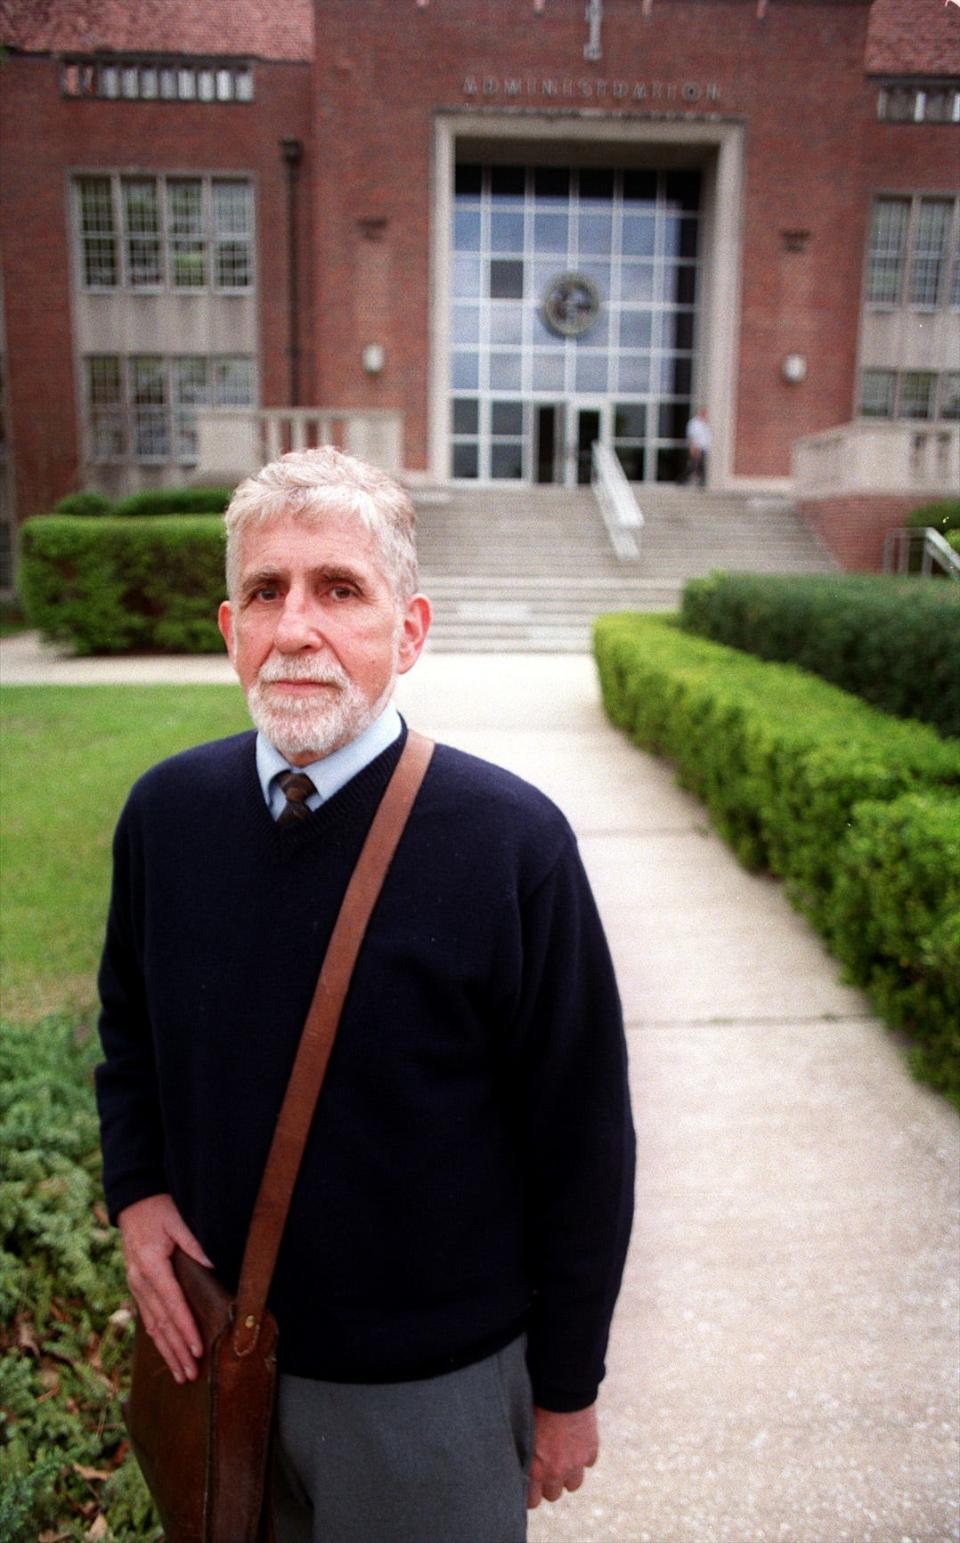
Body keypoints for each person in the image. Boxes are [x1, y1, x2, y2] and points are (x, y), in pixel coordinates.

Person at [96, 446, 635, 1543]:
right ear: (229, 628)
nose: (296, 626)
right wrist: (138, 1187)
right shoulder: (165, 815)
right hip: (216, 1361)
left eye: (339, 589)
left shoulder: (511, 843)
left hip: (425, 1401)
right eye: (266, 591)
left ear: (410, 629)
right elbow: (128, 1029)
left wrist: (569, 1386)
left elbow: (584, 1137)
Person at [685, 405, 711, 486]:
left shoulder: (704, 423)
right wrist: (693, 448)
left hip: (703, 447)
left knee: (700, 465)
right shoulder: (694, 423)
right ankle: (684, 479)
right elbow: (692, 436)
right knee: (695, 465)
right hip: (697, 448)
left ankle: (701, 482)